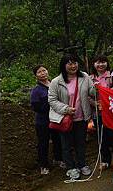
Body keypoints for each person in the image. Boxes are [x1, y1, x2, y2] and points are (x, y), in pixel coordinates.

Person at [48, 53, 95, 181]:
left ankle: (82, 164)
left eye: (74, 63)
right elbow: (52, 100)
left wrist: (96, 88)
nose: (73, 66)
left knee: (81, 143)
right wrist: (66, 109)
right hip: (65, 119)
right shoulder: (56, 82)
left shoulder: (84, 77)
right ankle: (70, 167)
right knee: (66, 145)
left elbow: (92, 92)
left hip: (82, 117)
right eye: (69, 63)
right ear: (64, 66)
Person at [30, 65, 62, 175]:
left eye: (44, 70)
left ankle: (58, 159)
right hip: (43, 120)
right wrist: (50, 105)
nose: (43, 73)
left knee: (58, 139)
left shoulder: (54, 84)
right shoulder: (36, 90)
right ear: (36, 76)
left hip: (56, 118)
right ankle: (43, 165)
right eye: (39, 72)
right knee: (43, 142)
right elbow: (35, 106)